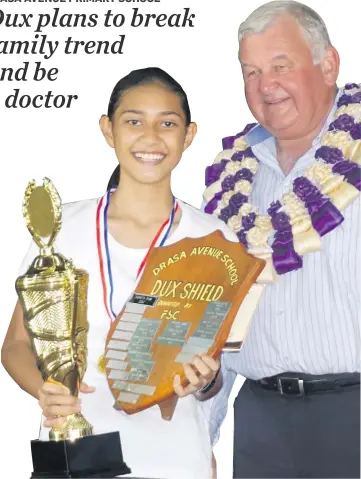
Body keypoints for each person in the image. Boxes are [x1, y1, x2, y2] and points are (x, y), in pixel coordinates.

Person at [1, 67, 235, 479]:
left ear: (189, 135)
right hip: (76, 457)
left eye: (167, 123)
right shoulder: (60, 228)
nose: (150, 137)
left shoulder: (215, 239)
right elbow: (16, 345)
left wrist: (204, 381)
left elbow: (217, 368)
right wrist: (43, 388)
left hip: (175, 460)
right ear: (108, 131)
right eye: (133, 121)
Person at [202, 2, 360, 478]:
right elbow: (219, 316)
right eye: (250, 71)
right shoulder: (230, 179)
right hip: (261, 421)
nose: (264, 85)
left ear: (328, 64)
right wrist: (200, 439)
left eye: (280, 66)